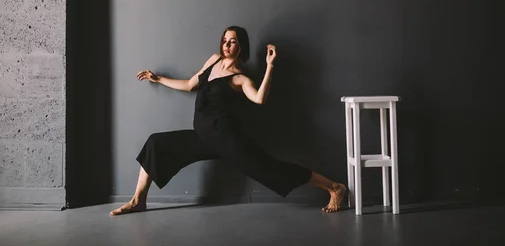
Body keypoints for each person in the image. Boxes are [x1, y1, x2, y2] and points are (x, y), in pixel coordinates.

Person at [110, 26, 346, 216]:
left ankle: (334, 188)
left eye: (232, 40)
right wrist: (158, 78)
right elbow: (191, 84)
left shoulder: (239, 79)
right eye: (225, 39)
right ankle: (138, 201)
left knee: (271, 169)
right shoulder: (212, 61)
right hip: (203, 137)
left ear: (241, 46)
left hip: (227, 140)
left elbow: (260, 99)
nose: (227, 43)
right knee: (156, 143)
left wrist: (270, 67)